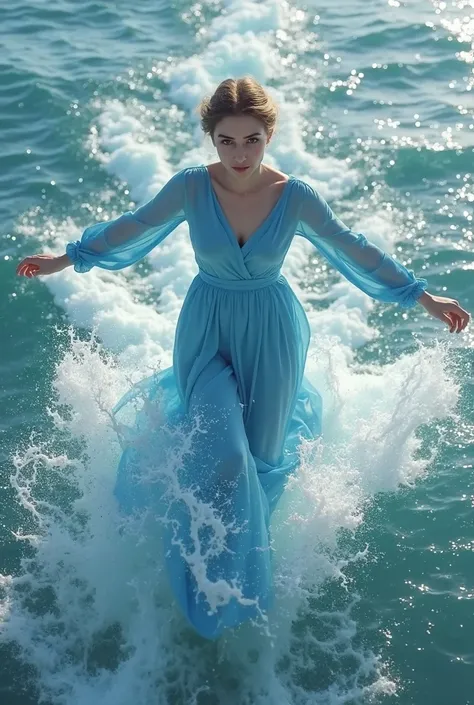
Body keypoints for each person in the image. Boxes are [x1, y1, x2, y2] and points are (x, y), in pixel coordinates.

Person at [16, 76, 471, 640]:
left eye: (251, 140)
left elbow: (352, 247)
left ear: (268, 134)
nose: (240, 153)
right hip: (206, 327)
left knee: (258, 459)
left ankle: (245, 561)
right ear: (211, 139)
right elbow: (135, 227)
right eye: (227, 141)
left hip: (272, 332)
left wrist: (422, 295)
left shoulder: (295, 195)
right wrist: (68, 258)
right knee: (225, 452)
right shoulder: (189, 188)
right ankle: (202, 580)